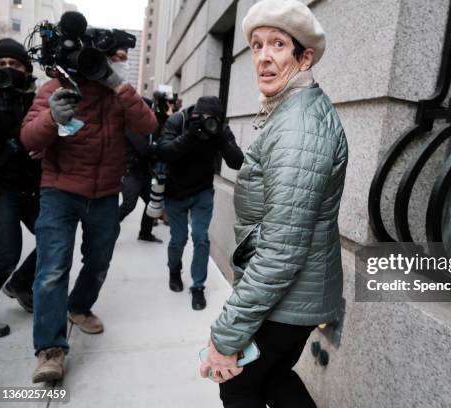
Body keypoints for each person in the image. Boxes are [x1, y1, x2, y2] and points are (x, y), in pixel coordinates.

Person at [200, 1, 348, 406]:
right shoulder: (291, 111)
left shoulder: (299, 125)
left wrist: (226, 334)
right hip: (294, 295)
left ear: (305, 57)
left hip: (289, 297)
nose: (263, 57)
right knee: (271, 378)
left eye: (278, 44)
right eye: (257, 45)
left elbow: (282, 252)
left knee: (238, 384)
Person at [21, 43, 158, 383]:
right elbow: (28, 138)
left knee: (98, 262)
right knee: (52, 269)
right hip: (59, 192)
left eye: (118, 61)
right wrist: (52, 117)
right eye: (114, 59)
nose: (115, 64)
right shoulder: (55, 87)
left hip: (105, 195)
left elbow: (148, 125)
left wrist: (118, 85)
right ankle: (50, 350)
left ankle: (79, 306)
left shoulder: (117, 94)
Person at [155, 96, 243, 309]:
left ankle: (198, 287)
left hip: (202, 191)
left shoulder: (220, 128)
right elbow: (163, 152)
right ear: (194, 115)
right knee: (178, 239)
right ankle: (174, 271)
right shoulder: (179, 121)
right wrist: (189, 135)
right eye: (203, 119)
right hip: (175, 193)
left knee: (200, 237)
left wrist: (220, 135)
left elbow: (237, 161)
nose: (207, 123)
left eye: (212, 120)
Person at [0, 38, 40, 338]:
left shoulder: (36, 99)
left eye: (14, 64)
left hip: (33, 186)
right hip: (2, 189)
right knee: (6, 253)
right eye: (1, 64)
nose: (8, 69)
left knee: (53, 240)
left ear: (26, 68)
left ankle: (21, 285)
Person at [118, 95, 171, 243]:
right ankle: (107, 229)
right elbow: (144, 149)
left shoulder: (148, 128)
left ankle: (145, 233)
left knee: (152, 203)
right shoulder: (130, 126)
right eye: (149, 110)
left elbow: (155, 146)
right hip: (131, 172)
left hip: (144, 173)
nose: (151, 113)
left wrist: (155, 148)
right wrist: (155, 148)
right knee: (129, 204)